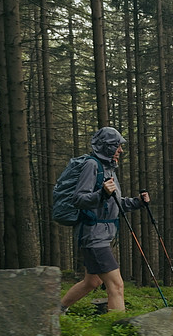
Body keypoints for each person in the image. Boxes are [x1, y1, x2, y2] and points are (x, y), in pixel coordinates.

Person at [60, 127, 150, 313]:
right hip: (93, 236)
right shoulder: (92, 166)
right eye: (117, 146)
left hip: (101, 235)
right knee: (116, 286)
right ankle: (117, 332)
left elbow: (115, 203)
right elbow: (79, 199)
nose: (121, 150)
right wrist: (102, 193)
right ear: (108, 146)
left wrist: (137, 202)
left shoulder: (109, 169)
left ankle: (55, 311)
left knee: (92, 281)